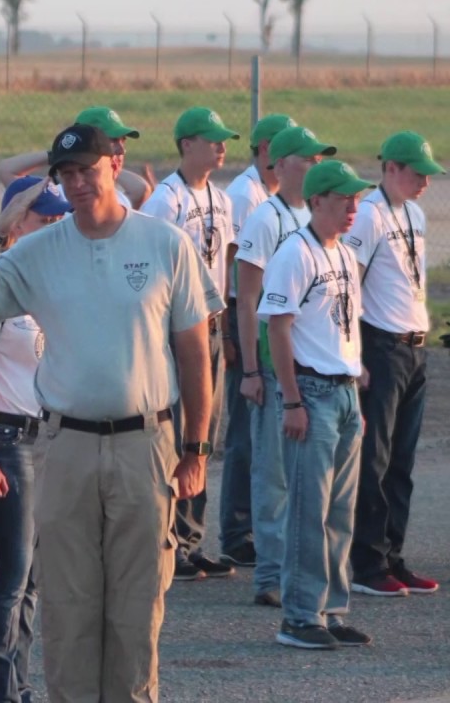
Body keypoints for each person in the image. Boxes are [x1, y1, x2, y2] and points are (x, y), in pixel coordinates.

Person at [0, 124, 219, 702]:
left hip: (146, 444)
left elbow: (195, 353)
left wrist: (196, 450)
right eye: (65, 174)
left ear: (114, 165)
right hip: (65, 447)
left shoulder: (165, 243)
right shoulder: (39, 250)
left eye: (86, 170)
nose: (76, 183)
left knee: (137, 609)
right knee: (68, 610)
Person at [0, 176, 68, 703]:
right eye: (46, 218)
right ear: (16, 222)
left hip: (44, 437)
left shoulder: (49, 279)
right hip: (6, 438)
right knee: (14, 573)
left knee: (33, 578)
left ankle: (16, 685)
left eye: (60, 218)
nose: (57, 226)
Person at [258, 160, 373, 650]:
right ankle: (300, 616)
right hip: (312, 392)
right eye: (344, 198)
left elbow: (346, 324)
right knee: (309, 509)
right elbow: (277, 328)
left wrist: (354, 379)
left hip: (343, 393)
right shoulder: (295, 252)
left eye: (356, 199)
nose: (353, 207)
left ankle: (330, 609)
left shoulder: (344, 253)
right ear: (318, 200)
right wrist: (291, 401)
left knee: (340, 512)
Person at [235, 125, 336, 608]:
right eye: (307, 158)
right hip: (274, 363)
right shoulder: (264, 218)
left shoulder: (314, 217)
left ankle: (299, 569)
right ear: (281, 164)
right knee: (272, 472)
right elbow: (246, 298)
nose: (315, 165)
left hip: (310, 363)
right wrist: (251, 371)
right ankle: (270, 575)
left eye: (319, 159)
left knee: (306, 475)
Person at [139, 107, 239, 582]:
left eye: (223, 140)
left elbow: (225, 265)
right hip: (178, 328)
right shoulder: (167, 199)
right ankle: (168, 539)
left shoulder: (221, 198)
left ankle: (191, 538)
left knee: (204, 434)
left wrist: (228, 328)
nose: (221, 147)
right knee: (178, 433)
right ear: (186, 144)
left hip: (211, 324)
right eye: (211, 139)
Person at [346, 132, 445, 597]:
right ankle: (366, 562)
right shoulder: (369, 214)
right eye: (417, 173)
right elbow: (352, 285)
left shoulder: (414, 213)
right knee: (376, 458)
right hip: (381, 345)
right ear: (391, 169)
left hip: (413, 346)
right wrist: (356, 355)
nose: (425, 181)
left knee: (402, 461)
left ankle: (392, 554)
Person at [219, 112, 296, 569]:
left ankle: (257, 528)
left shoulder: (274, 195)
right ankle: (237, 531)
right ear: (267, 149)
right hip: (244, 317)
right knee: (245, 436)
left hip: (267, 321)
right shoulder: (245, 195)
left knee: (264, 438)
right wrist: (232, 335)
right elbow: (234, 271)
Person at [0, 106, 153, 209]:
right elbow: (6, 169)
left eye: (123, 141)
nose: (121, 150)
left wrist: (102, 165)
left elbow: (141, 189)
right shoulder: (53, 197)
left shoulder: (116, 200)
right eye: (113, 141)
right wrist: (64, 154)